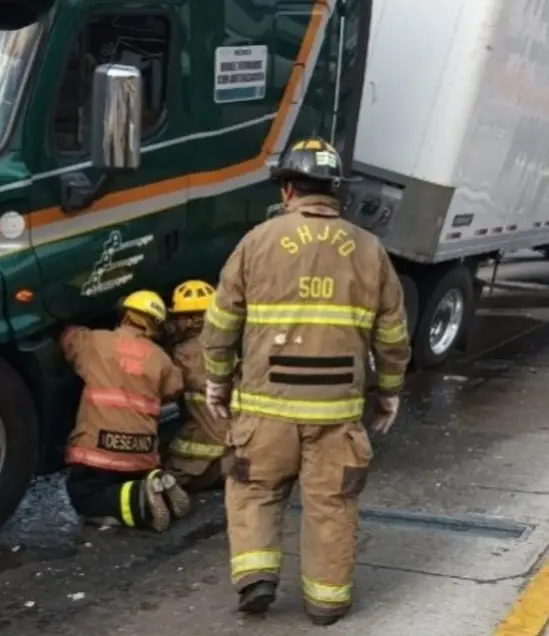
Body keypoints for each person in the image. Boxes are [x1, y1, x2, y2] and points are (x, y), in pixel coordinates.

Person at [200, 137, 412, 626]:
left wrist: (217, 382)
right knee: (331, 503)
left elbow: (222, 321)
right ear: (335, 191)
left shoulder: (257, 241)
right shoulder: (369, 249)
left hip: (265, 408)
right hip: (336, 414)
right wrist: (390, 390)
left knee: (253, 489)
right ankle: (327, 601)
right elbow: (392, 333)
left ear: (289, 188)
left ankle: (256, 578)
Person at [61, 290, 190, 532]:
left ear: (124, 315)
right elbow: (175, 388)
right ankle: (150, 482)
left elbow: (68, 337)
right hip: (141, 456)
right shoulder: (161, 359)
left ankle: (141, 498)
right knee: (121, 482)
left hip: (98, 453)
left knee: (84, 496)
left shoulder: (95, 342)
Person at [163, 280, 229, 492]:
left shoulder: (182, 353)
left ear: (191, 320)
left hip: (207, 459)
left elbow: (167, 391)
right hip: (244, 451)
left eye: (178, 317)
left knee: (162, 469)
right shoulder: (233, 341)